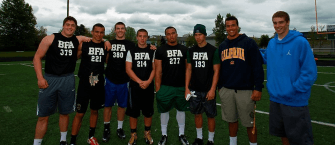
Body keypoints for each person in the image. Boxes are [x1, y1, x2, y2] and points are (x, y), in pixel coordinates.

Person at [33, 16, 91, 145]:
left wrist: (107, 41)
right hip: (50, 79)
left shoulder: (77, 39)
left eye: (73, 25)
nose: (70, 27)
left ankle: (63, 140)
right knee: (43, 116)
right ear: (63, 26)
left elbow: (95, 39)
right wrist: (40, 78)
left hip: (68, 79)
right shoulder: (50, 38)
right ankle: (36, 143)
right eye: (67, 24)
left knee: (65, 113)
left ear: (75, 28)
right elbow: (37, 57)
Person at [264, 11, 317, 145]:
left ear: (288, 22)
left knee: (300, 140)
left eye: (281, 22)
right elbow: (265, 58)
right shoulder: (271, 43)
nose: (278, 26)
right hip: (276, 99)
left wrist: (294, 89)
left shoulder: (300, 42)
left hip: (294, 100)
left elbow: (310, 72)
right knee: (283, 135)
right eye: (275, 23)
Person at [103, 22, 156, 142]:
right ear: (115, 30)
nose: (120, 30)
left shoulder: (131, 45)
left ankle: (120, 128)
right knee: (108, 105)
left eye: (122, 28)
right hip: (111, 79)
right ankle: (106, 129)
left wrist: (153, 47)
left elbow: (153, 65)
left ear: (125, 30)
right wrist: (104, 41)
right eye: (118, 28)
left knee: (124, 106)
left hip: (125, 81)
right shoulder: (109, 43)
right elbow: (98, 41)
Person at [217, 16, 264, 145]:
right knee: (231, 121)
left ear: (238, 26)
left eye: (233, 25)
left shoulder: (249, 42)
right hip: (227, 89)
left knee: (249, 123)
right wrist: (220, 87)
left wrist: (258, 87)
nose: (230, 28)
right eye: (228, 26)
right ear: (225, 28)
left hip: (245, 90)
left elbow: (257, 66)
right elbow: (220, 69)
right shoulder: (222, 45)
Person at [69, 23, 107, 145]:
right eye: (96, 31)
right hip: (84, 84)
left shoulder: (105, 46)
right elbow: (73, 58)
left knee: (94, 111)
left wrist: (107, 42)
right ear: (92, 32)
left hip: (98, 83)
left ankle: (91, 137)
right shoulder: (84, 44)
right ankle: (72, 141)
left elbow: (108, 61)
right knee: (79, 113)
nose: (99, 34)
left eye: (101, 32)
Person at [185, 24, 220, 145]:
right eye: (196, 35)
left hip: (208, 89)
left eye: (200, 34)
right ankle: (199, 138)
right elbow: (188, 70)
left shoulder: (213, 50)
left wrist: (212, 89)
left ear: (204, 35)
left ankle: (210, 139)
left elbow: (216, 71)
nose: (198, 37)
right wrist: (186, 88)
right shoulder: (191, 50)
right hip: (195, 88)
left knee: (210, 115)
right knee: (197, 114)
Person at [155, 26, 189, 145]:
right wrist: (158, 89)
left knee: (181, 110)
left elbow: (187, 70)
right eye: (168, 34)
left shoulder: (184, 49)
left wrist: (187, 87)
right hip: (166, 86)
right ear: (166, 36)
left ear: (176, 34)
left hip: (181, 86)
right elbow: (158, 71)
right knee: (164, 111)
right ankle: (164, 134)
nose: (171, 36)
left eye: (173, 33)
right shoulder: (160, 50)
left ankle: (181, 134)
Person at [125, 29, 156, 145]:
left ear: (147, 37)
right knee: (133, 112)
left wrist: (148, 81)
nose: (142, 39)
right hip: (134, 86)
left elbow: (154, 68)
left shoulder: (152, 50)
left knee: (148, 111)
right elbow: (128, 69)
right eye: (140, 36)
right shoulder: (131, 51)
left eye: (144, 36)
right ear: (137, 37)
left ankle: (147, 132)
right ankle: (133, 134)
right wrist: (139, 81)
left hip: (148, 85)